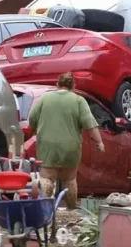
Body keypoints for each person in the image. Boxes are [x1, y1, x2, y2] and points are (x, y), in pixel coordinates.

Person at [28, 72, 104, 209]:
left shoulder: (44, 98)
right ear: (73, 86)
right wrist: (99, 142)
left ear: (57, 84)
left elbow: (32, 119)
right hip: (70, 147)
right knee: (69, 180)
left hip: (47, 146)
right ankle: (71, 209)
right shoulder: (79, 100)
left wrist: (32, 131)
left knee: (46, 178)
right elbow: (90, 124)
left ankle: (44, 209)